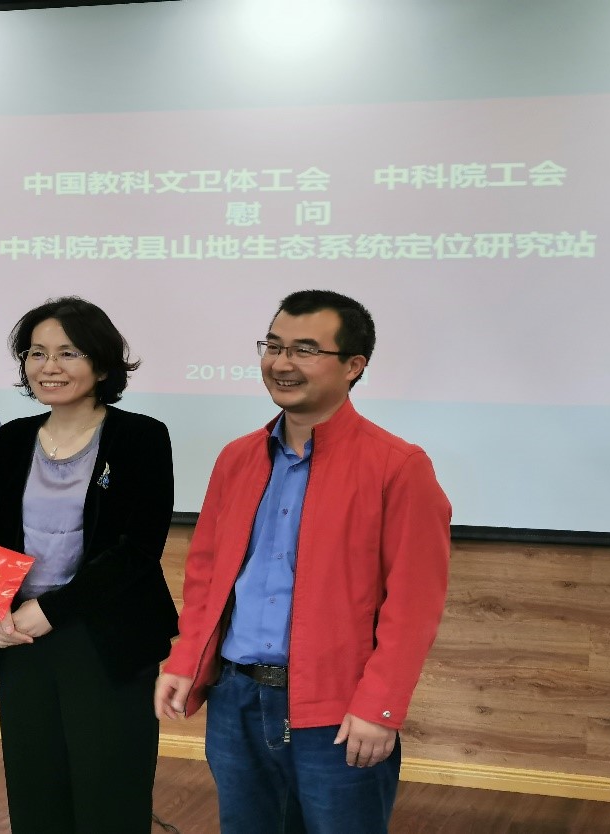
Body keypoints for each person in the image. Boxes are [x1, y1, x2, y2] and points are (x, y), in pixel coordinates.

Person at [154, 290, 451, 834]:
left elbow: (413, 606)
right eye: (273, 346)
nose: (281, 363)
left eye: (305, 350)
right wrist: (185, 659)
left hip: (337, 711)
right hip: (236, 700)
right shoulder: (237, 458)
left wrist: (380, 706)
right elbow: (206, 578)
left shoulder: (399, 467)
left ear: (354, 365)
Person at [0, 297, 178, 834]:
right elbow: (1, 537)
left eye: (69, 353)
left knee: (108, 794)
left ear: (103, 365)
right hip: (21, 639)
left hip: (106, 637)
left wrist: (53, 610)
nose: (50, 366)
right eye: (36, 353)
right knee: (35, 791)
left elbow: (138, 550)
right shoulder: (13, 438)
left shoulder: (140, 436)